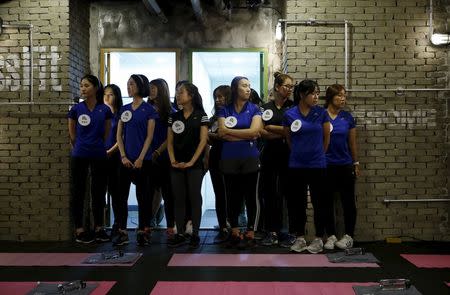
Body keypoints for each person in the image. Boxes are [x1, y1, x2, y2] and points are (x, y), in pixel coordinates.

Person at [282, 79, 330, 254]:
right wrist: (300, 154)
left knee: (320, 202)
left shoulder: (321, 113)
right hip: (296, 165)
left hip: (318, 164)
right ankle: (300, 237)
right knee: (297, 203)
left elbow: (326, 139)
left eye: (318, 93)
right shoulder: (290, 114)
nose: (316, 97)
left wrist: (317, 155)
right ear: (302, 94)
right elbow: (289, 140)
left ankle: (318, 239)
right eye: (313, 93)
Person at [217, 76, 263, 250]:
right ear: (235, 89)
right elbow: (221, 132)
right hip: (228, 159)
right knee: (232, 196)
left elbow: (255, 131)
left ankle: (250, 232)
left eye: (249, 86)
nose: (248, 89)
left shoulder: (255, 109)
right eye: (244, 86)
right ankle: (235, 231)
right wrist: (246, 135)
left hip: (250, 158)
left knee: (251, 196)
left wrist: (231, 134)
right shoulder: (224, 110)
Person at [68, 74, 112, 244]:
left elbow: (107, 132)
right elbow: (72, 133)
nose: (83, 89)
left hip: (99, 155)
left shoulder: (105, 110)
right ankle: (79, 229)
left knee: (99, 192)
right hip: (80, 155)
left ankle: (99, 228)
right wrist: (80, 145)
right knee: (79, 191)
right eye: (81, 86)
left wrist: (98, 145)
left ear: (95, 88)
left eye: (86, 85)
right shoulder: (76, 109)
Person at [114, 74, 156, 246]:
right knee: (120, 196)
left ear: (140, 86)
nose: (128, 87)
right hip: (125, 160)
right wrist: (123, 156)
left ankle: (143, 230)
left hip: (143, 161)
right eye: (127, 84)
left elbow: (149, 137)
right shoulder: (124, 110)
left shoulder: (149, 110)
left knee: (144, 197)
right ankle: (122, 231)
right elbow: (119, 135)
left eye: (131, 84)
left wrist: (140, 158)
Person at [167, 82, 209, 249]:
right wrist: (172, 160)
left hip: (195, 164)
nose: (178, 95)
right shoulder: (174, 116)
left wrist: (192, 161)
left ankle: (195, 233)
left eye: (181, 92)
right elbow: (169, 142)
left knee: (194, 197)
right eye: (177, 93)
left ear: (190, 96)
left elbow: (203, 141)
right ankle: (180, 233)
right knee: (178, 199)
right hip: (175, 163)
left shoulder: (201, 115)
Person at [322, 84, 360, 250]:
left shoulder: (347, 117)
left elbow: (352, 143)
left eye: (344, 96)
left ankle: (349, 236)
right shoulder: (320, 115)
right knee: (326, 202)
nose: (343, 99)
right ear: (330, 98)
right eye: (339, 96)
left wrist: (355, 163)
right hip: (325, 165)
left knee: (348, 202)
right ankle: (330, 236)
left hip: (344, 165)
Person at [259, 72, 294, 247]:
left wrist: (272, 128)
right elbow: (260, 131)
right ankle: (270, 231)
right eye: (286, 86)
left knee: (287, 194)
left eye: (291, 87)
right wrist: (284, 131)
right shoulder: (265, 108)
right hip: (269, 156)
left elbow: (295, 131)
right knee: (269, 194)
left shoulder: (294, 107)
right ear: (277, 87)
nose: (289, 90)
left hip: (289, 156)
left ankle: (285, 232)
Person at [148, 78, 176, 237]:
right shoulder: (146, 109)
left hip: (165, 156)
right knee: (150, 191)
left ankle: (171, 226)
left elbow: (170, 136)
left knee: (168, 192)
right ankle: (148, 222)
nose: (150, 91)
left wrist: (158, 151)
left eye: (153, 88)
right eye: (149, 88)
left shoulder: (170, 111)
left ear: (162, 90)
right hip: (147, 156)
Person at [206, 85, 231, 243]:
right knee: (219, 194)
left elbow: (225, 135)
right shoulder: (213, 118)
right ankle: (222, 226)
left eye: (221, 96)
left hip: (231, 157)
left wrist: (210, 134)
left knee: (231, 193)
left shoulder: (234, 115)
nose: (218, 99)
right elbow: (208, 139)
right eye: (216, 96)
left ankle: (233, 226)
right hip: (215, 158)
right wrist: (210, 135)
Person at [103, 84, 123, 235]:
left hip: (116, 156)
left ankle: (118, 223)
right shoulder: (101, 113)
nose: (107, 97)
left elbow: (122, 137)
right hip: (100, 155)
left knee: (117, 192)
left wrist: (110, 151)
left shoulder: (121, 114)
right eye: (105, 94)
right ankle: (100, 225)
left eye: (110, 94)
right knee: (105, 190)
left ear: (117, 96)